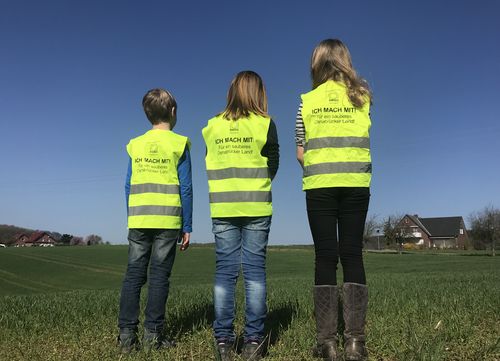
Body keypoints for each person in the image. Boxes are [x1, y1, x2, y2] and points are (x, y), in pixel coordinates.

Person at [295, 39, 372, 361]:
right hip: (356, 183)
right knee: (353, 255)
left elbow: (300, 151)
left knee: (325, 257)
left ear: (317, 63)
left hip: (320, 184)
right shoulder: (363, 97)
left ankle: (327, 344)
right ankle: (356, 343)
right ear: (344, 60)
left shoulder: (307, 101)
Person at [202, 71, 279, 361]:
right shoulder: (266, 124)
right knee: (255, 273)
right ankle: (254, 341)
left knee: (225, 272)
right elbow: (274, 162)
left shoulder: (212, 126)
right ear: (259, 92)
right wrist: (256, 183)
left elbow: (211, 161)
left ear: (232, 91)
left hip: (222, 207)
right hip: (257, 206)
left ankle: (222, 341)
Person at [117, 88, 192, 353]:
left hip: (138, 218)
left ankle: (126, 337)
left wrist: (132, 215)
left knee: (133, 275)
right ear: (173, 112)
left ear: (148, 114)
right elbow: (186, 188)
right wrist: (188, 225)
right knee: (159, 277)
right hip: (167, 220)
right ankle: (153, 337)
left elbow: (127, 185)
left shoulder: (135, 144)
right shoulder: (179, 143)